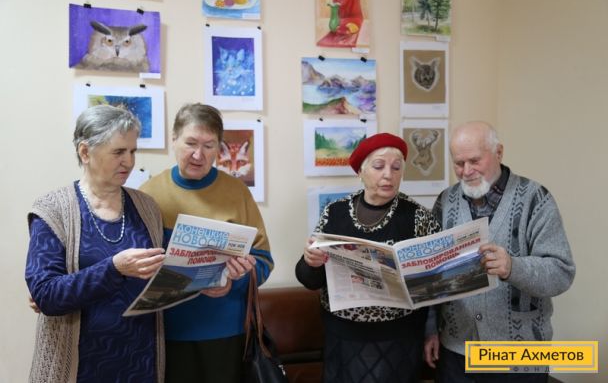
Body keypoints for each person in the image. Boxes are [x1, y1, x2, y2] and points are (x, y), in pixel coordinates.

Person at [424, 121, 576, 383]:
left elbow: (561, 273)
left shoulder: (536, 199)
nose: (466, 171)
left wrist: (513, 267)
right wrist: (430, 329)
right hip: (456, 353)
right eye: (459, 163)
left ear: (499, 152)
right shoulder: (445, 201)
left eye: (475, 161)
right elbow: (432, 275)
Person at [25, 105, 166, 382]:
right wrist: (114, 269)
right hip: (77, 369)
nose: (129, 162)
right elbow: (45, 295)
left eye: (133, 151)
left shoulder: (147, 206)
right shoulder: (52, 209)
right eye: (118, 152)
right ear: (85, 152)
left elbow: (164, 271)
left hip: (141, 363)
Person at [140, 103, 274, 383]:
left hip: (227, 332)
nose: (198, 155)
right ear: (174, 140)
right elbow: (137, 266)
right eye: (190, 143)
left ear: (218, 148)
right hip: (168, 332)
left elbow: (263, 260)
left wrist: (234, 281)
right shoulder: (149, 194)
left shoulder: (237, 192)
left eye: (209, 145)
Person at [295, 133, 441, 383]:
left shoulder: (419, 217)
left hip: (398, 339)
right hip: (343, 336)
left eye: (396, 168)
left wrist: (432, 331)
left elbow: (436, 285)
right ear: (360, 171)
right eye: (379, 166)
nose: (388, 175)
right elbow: (310, 279)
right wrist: (311, 261)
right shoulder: (335, 212)